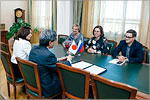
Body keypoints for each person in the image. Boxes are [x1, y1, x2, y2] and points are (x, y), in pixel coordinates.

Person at [29, 29, 72, 98]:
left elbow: (43, 61)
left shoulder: (34, 49)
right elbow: (60, 68)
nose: (55, 43)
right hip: (46, 87)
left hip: (34, 81)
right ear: (50, 42)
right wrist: (69, 60)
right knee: (68, 78)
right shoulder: (48, 55)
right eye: (54, 41)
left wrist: (57, 59)